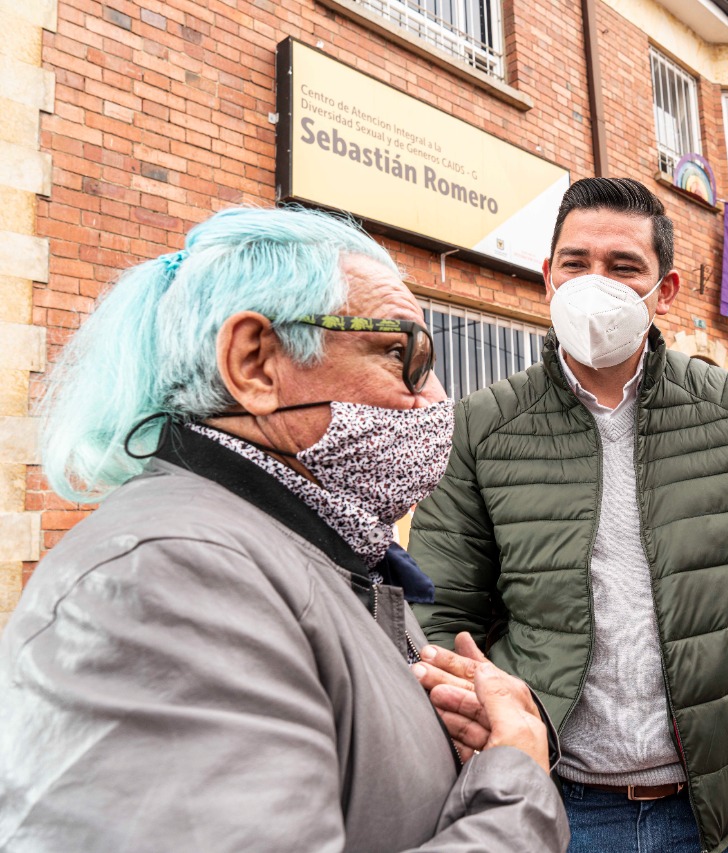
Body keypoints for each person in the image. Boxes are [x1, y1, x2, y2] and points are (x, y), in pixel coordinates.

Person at [0, 207, 569, 852]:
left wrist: (464, 761)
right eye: (401, 354)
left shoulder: (325, 551)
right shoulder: (165, 580)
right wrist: (517, 780)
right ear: (255, 363)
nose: (437, 400)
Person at [410, 177, 728, 853]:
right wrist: (486, 759)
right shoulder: (483, 426)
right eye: (576, 263)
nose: (594, 282)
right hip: (559, 803)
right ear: (548, 277)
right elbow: (441, 613)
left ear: (663, 291)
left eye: (623, 266)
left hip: (714, 810)